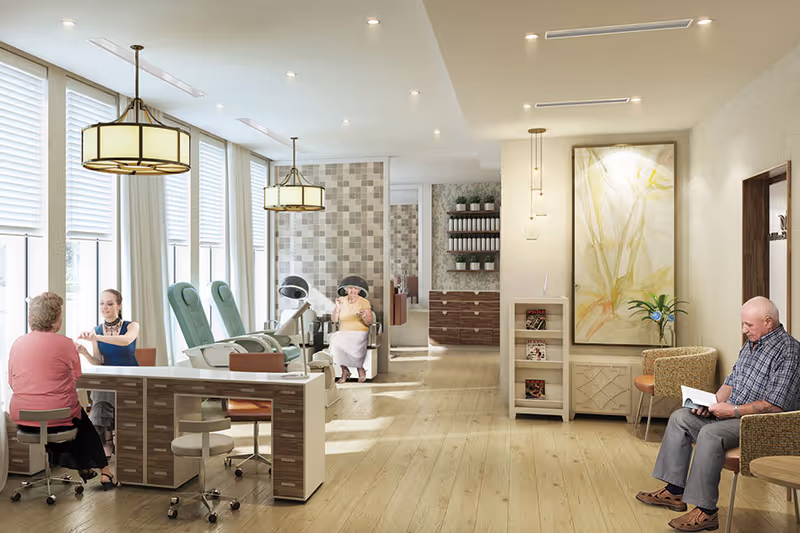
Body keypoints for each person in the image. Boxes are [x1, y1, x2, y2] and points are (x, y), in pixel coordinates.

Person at [636, 296, 800, 532]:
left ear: (768, 322)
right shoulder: (751, 344)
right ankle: (674, 492)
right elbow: (731, 382)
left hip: (759, 424)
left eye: (749, 325)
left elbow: (775, 405)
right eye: (743, 324)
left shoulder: (789, 351)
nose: (744, 330)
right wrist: (712, 403)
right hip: (731, 413)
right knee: (681, 418)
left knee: (710, 434)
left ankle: (706, 512)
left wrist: (733, 410)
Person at [8, 292, 118, 489]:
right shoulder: (66, 343)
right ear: (55, 319)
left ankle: (85, 467)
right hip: (58, 415)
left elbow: (11, 381)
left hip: (22, 416)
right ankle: (105, 472)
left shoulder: (17, 343)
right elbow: (76, 376)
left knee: (58, 417)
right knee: (80, 420)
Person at [76, 289, 139, 458]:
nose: (105, 307)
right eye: (102, 304)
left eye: (110, 304)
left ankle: (108, 443)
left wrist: (96, 337)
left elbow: (126, 340)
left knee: (103, 398)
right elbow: (98, 361)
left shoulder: (131, 326)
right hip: (108, 379)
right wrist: (84, 352)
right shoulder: (96, 330)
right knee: (102, 397)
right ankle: (107, 443)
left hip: (130, 378)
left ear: (119, 305)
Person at [330, 284, 374, 383]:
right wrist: (337, 308)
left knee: (353, 346)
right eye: (350, 288)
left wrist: (364, 316)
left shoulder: (364, 302)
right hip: (344, 332)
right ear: (346, 290)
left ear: (359, 290)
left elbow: (369, 322)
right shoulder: (341, 300)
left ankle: (360, 369)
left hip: (360, 332)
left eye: (356, 288)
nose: (353, 290)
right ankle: (344, 370)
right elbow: (334, 320)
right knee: (335, 342)